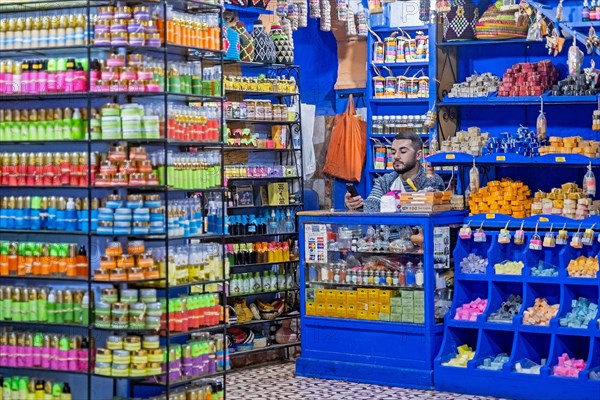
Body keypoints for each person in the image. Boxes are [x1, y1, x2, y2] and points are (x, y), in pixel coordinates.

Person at [345, 131, 445, 212]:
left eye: (403, 151)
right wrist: (356, 206)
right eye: (393, 152)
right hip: (388, 237)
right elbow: (372, 208)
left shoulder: (432, 180)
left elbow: (427, 218)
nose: (396, 156)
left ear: (418, 155)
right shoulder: (385, 181)